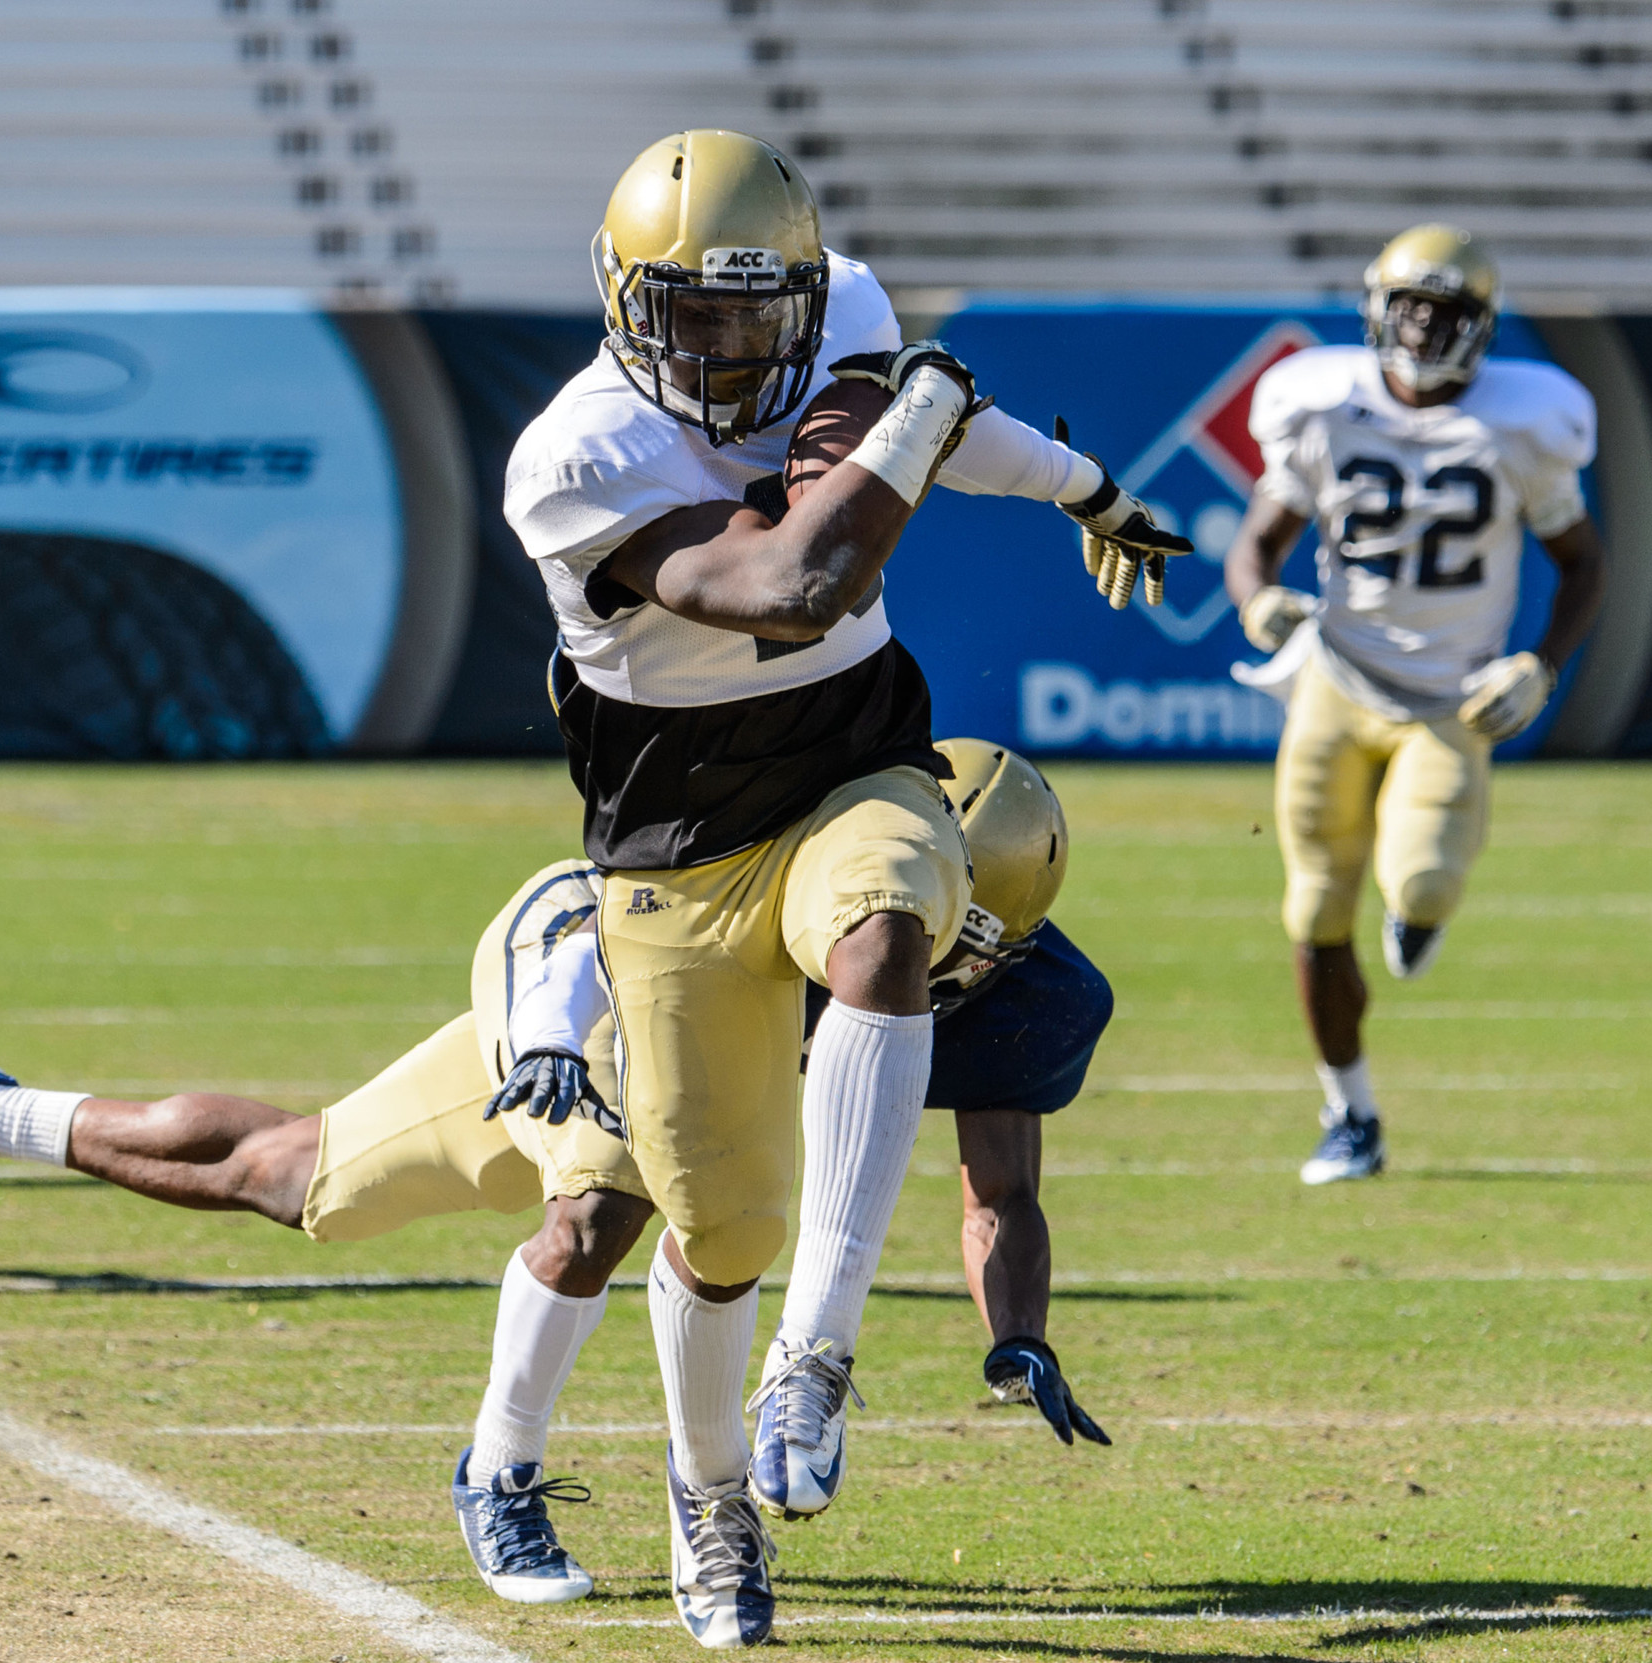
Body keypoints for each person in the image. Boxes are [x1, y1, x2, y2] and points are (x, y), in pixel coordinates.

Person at [0, 737, 1113, 1619]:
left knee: (299, 1175)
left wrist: (1021, 1337)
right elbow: (605, 911)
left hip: (678, 1028)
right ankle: (503, 1471)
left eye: (963, 941)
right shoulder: (789, 862)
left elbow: (1002, 1182)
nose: (944, 959)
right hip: (584, 967)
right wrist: (548, 1031)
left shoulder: (999, 985)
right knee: (609, 1195)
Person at [499, 127, 1182, 1646]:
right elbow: (794, 583)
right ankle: (709, 1488)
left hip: (852, 772)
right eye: (705, 320)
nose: (741, 352)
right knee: (716, 1227)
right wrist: (918, 407)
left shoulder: (846, 310)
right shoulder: (576, 455)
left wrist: (1084, 485)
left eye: (766, 319)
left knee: (887, 928)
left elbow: (927, 440)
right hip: (672, 853)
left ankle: (816, 1350)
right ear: (623, 303)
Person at [1221, 224, 1606, 1187]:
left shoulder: (1521, 424)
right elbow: (1255, 543)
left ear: (1482, 324)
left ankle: (1420, 912)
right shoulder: (1322, 405)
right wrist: (1256, 601)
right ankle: (1348, 1111)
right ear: (1379, 309)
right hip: (1337, 680)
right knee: (1312, 906)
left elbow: (1584, 564)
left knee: (1426, 880)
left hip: (1451, 699)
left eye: (1445, 311)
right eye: (1410, 307)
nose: (1424, 328)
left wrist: (1542, 664)